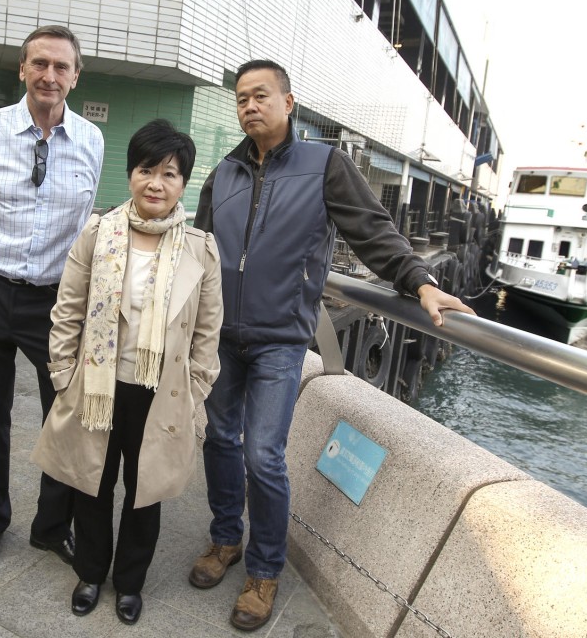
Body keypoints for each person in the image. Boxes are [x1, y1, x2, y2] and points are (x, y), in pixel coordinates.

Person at [189, 60, 475, 631]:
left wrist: (421, 283)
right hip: (220, 333)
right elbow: (197, 252)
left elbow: (372, 230)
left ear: (289, 102)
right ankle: (226, 539)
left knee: (262, 454)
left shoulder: (325, 164)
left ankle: (265, 570)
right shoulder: (222, 175)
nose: (249, 105)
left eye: (261, 95)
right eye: (241, 98)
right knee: (219, 437)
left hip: (280, 339)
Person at [31, 119, 222, 625]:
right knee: (91, 484)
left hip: (160, 393)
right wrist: (63, 375)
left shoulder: (200, 249)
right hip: (99, 387)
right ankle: (91, 573)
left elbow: (207, 332)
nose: (156, 183)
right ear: (131, 173)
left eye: (170, 173)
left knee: (145, 492)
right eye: (146, 170)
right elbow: (67, 310)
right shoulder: (99, 233)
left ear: (184, 183)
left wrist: (195, 391)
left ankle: (129, 583)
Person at [0, 25, 104, 576]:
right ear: (22, 69)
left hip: (55, 302)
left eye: (61, 67)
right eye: (39, 64)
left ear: (75, 76)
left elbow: (84, 226)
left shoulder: (91, 140)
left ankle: (50, 528)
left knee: (65, 417)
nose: (49, 76)